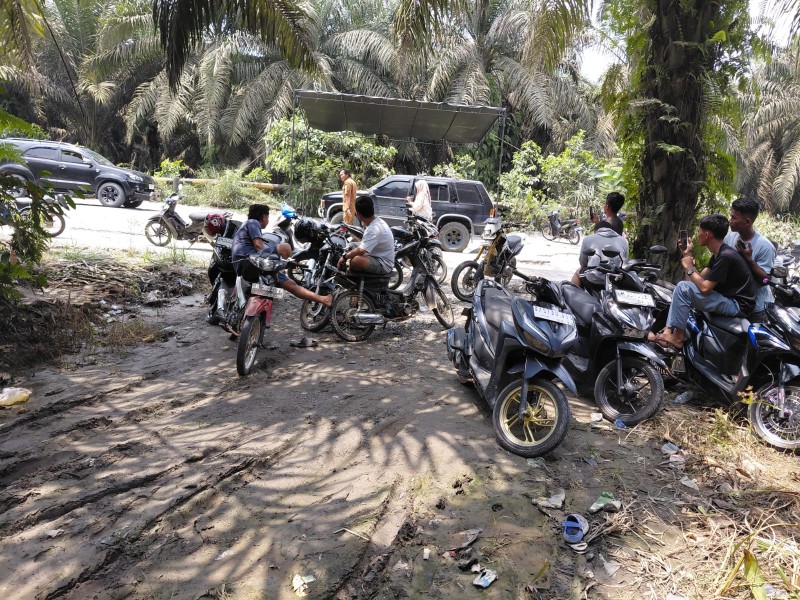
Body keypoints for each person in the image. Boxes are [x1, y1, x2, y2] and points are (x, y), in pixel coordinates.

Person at [648, 214, 756, 350]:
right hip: (728, 300)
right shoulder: (718, 254)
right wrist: (687, 255)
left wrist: (689, 267)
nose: (696, 235)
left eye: (698, 231)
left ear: (707, 234)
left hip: (737, 305)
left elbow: (705, 289)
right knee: (683, 288)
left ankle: (677, 337)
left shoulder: (726, 256)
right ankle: (668, 333)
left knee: (682, 288)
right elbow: (698, 282)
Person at [231, 204, 332, 307]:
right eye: (268, 217)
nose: (268, 219)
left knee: (289, 286)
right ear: (263, 217)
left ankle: (323, 299)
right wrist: (277, 260)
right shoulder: (253, 222)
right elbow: (258, 245)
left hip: (244, 267)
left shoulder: (245, 225)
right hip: (249, 262)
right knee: (286, 247)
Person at [724, 197, 775, 323]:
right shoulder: (730, 237)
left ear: (747, 221)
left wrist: (749, 260)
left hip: (757, 310)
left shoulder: (765, 246)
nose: (730, 221)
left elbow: (765, 280)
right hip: (736, 304)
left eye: (734, 218)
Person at [337, 196, 395, 274]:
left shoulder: (373, 229)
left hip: (383, 264)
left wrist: (344, 257)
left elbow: (361, 251)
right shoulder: (377, 221)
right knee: (352, 246)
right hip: (377, 256)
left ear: (358, 214)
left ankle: (350, 278)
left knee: (356, 260)